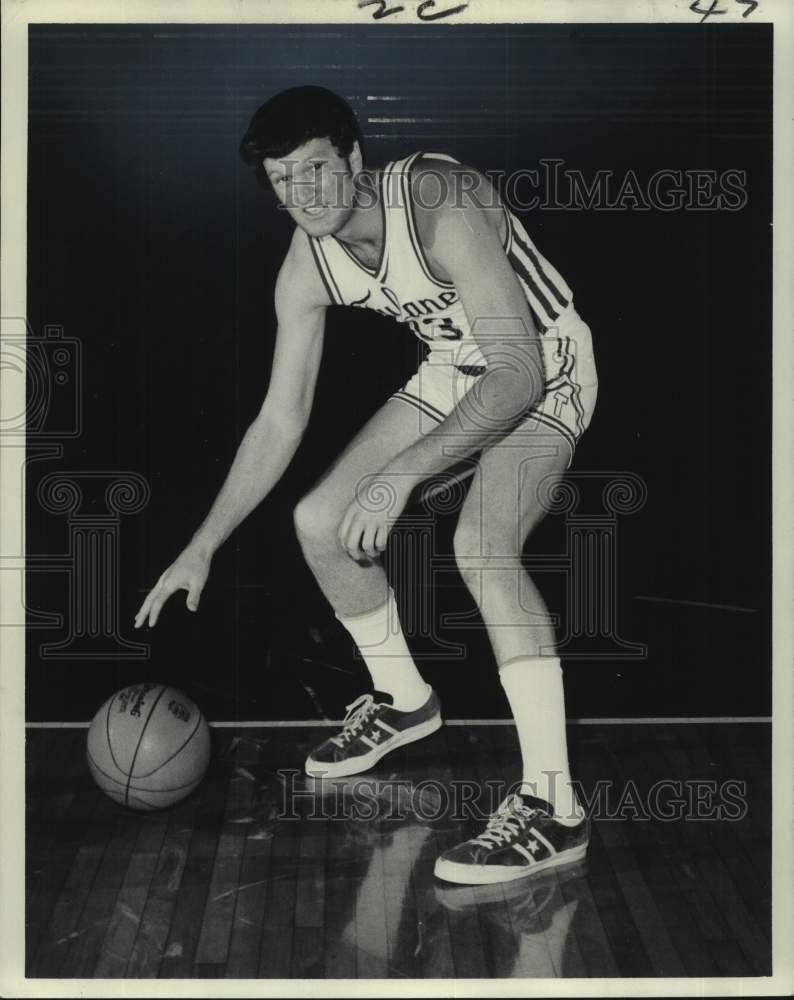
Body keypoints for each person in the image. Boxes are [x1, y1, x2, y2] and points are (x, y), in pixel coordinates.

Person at [134, 85, 598, 885]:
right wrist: (202, 545)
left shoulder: (437, 200)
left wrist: (397, 477)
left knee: (481, 548)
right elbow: (280, 420)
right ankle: (403, 701)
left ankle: (554, 806)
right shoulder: (305, 266)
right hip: (457, 371)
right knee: (319, 520)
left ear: (355, 160)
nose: (301, 195)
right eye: (281, 181)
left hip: (547, 365)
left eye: (314, 171)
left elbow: (517, 372)